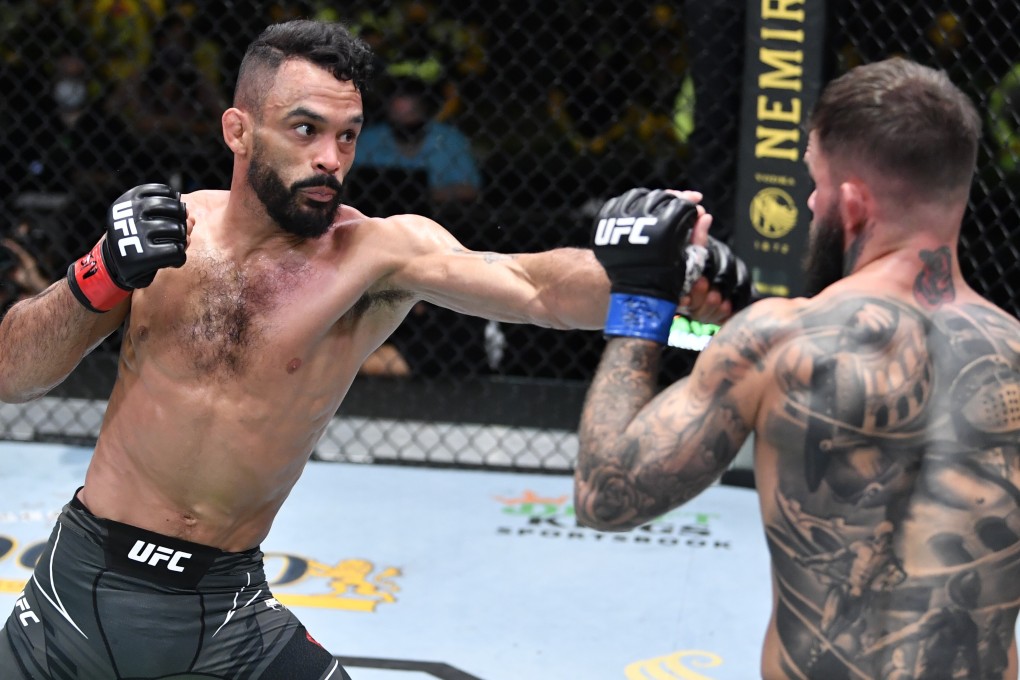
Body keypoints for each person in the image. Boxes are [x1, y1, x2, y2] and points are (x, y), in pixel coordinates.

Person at [0, 19, 743, 679]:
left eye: (347, 134)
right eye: (304, 129)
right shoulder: (166, 234)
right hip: (76, 590)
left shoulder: (377, 256)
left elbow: (535, 286)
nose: (331, 157)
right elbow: (13, 374)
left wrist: (655, 271)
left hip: (225, 615)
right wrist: (92, 280)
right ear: (238, 131)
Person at [574, 57, 1020, 679]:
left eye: (815, 183)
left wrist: (643, 301)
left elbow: (607, 494)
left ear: (854, 203)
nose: (809, 203)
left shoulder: (777, 342)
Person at [354, 76, 481, 208]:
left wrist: (419, 195)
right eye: (398, 114)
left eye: (412, 113)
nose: (405, 122)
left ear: (425, 109)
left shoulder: (450, 139)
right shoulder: (369, 139)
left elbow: (471, 190)